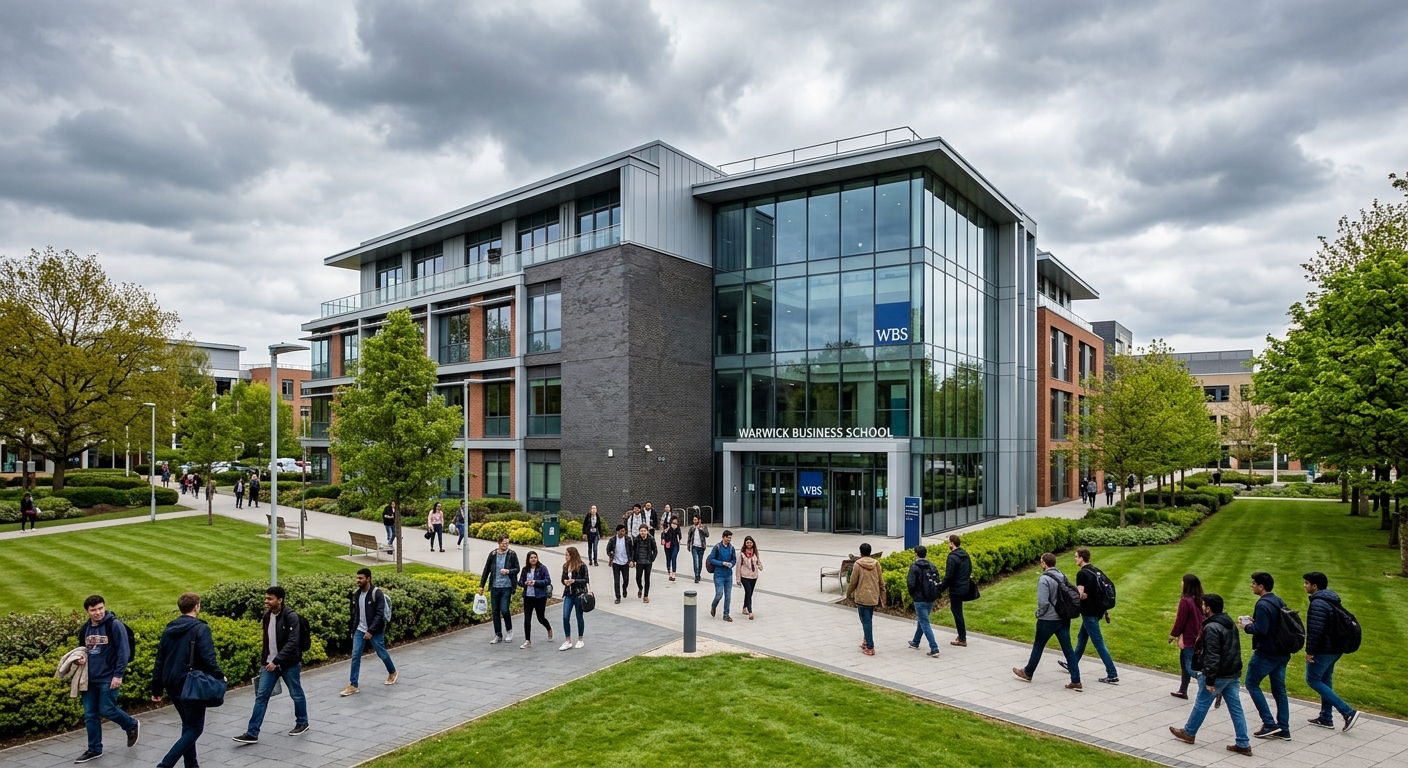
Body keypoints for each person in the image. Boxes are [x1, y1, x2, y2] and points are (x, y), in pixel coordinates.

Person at [1169, 593, 1252, 755]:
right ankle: (1243, 742)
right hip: (1232, 673)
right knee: (1236, 708)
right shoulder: (1229, 623)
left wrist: (1210, 680)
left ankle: (1189, 732)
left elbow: (1212, 655)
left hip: (1218, 674)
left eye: (1203, 605)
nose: (1201, 608)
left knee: (1201, 703)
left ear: (1209, 608)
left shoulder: (1211, 627)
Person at [150, 592, 225, 768]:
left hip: (172, 683)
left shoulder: (168, 629)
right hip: (191, 684)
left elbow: (160, 660)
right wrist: (220, 676)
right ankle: (165, 764)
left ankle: (191, 764)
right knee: (195, 728)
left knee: (188, 724)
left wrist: (156, 689)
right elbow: (208, 658)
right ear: (196, 607)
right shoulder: (201, 629)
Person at [231, 586, 309, 744]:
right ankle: (252, 733)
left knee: (296, 693)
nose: (266, 601)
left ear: (280, 600)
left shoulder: (290, 616)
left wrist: (276, 661)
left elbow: (292, 643)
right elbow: (267, 641)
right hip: (268, 664)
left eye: (270, 599)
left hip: (289, 663)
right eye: (266, 598)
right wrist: (265, 661)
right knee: (261, 697)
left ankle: (302, 722)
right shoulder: (267, 616)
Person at [73, 595, 139, 763]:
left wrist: (118, 675)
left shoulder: (114, 625)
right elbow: (83, 649)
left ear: (105, 607)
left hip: (108, 677)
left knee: (107, 709)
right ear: (87, 611)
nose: (98, 612)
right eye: (93, 610)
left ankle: (131, 725)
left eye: (100, 608)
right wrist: (80, 659)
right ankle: (94, 749)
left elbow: (124, 652)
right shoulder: (85, 629)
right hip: (89, 678)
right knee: (90, 714)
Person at [1012, 553, 1082, 690]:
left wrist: (1038, 614)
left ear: (1044, 563)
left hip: (1048, 620)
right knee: (1068, 649)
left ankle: (1028, 672)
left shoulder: (1044, 579)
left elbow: (1043, 602)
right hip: (1063, 618)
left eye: (1041, 562)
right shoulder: (1061, 575)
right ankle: (1076, 679)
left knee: (1038, 645)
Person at [1302, 571, 1361, 732]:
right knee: (1325, 680)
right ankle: (1326, 717)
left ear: (1315, 586)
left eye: (1307, 583)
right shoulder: (1332, 600)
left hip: (1324, 650)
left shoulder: (1318, 604)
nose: (1304, 586)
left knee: (1313, 679)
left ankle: (1348, 712)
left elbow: (1315, 630)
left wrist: (1310, 651)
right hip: (1336, 649)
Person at [1239, 571, 1291, 741]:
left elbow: (1261, 630)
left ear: (1261, 586)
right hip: (1282, 651)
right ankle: (1284, 728)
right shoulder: (1277, 600)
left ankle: (1269, 723)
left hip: (1267, 652)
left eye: (1253, 583)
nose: (1251, 586)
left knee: (1251, 683)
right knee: (1279, 690)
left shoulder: (1262, 604)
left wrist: (1246, 627)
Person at [1062, 547, 1119, 684]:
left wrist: (1075, 593)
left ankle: (1112, 673)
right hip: (1098, 611)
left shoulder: (1082, 574)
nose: (1075, 559)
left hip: (1089, 613)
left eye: (1076, 557)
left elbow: (1080, 595)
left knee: (1098, 643)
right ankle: (1072, 664)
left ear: (1081, 558)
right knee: (1082, 637)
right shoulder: (1096, 570)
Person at [340, 569, 396, 696]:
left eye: (361, 578)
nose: (358, 580)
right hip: (360, 629)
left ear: (368, 579)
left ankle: (392, 671)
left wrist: (371, 630)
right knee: (355, 656)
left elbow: (379, 614)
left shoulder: (377, 593)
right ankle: (353, 685)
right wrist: (353, 630)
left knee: (381, 653)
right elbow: (355, 614)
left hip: (374, 630)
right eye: (357, 578)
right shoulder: (356, 594)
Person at [478, 535, 520, 644]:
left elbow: (517, 569)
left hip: (507, 586)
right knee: (495, 611)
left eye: (507, 543)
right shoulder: (493, 554)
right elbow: (486, 570)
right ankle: (498, 634)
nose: (505, 545)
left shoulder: (511, 554)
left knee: (504, 609)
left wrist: (508, 571)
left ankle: (509, 631)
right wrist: (481, 585)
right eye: (503, 543)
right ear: (499, 543)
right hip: (495, 586)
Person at [1169, 573, 1205, 699]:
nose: (1181, 583)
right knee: (1186, 663)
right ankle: (1182, 690)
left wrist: (1174, 635)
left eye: (1182, 581)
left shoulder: (1185, 601)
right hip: (1201, 637)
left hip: (1189, 638)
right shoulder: (1201, 600)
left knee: (1189, 666)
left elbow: (1180, 620)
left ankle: (1209, 682)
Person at [845, 542, 884, 654]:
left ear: (861, 552)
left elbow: (853, 582)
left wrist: (848, 594)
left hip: (862, 597)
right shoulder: (876, 563)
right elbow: (881, 581)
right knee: (868, 620)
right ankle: (866, 640)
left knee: (865, 621)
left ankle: (870, 646)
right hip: (873, 596)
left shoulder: (857, 564)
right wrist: (882, 594)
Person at [905, 544, 941, 657]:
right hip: (931, 598)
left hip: (919, 599)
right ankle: (915, 642)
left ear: (916, 554)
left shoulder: (914, 567)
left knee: (924, 622)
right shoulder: (932, 566)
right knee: (922, 619)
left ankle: (934, 648)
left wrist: (914, 594)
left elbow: (911, 583)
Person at [515, 551, 554, 649]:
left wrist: (535, 582)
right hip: (528, 597)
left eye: (535, 557)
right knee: (527, 619)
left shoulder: (542, 568)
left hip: (539, 597)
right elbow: (520, 582)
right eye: (531, 557)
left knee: (540, 617)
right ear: (528, 559)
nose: (533, 559)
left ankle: (548, 628)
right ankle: (527, 640)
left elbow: (547, 580)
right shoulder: (525, 569)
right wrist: (525, 583)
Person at [938, 534, 971, 646]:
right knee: (958, 610)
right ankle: (961, 635)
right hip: (964, 587)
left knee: (956, 611)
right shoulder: (965, 554)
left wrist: (940, 588)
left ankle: (962, 638)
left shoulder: (952, 557)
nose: (948, 544)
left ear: (952, 543)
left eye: (949, 542)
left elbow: (949, 576)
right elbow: (969, 569)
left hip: (956, 589)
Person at [560, 546, 589, 650]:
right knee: (565, 616)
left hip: (578, 594)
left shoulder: (582, 566)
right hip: (569, 594)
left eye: (567, 555)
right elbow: (562, 578)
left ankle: (580, 639)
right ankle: (568, 640)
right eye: (565, 555)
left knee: (579, 616)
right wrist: (565, 581)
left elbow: (586, 580)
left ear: (572, 555)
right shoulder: (565, 566)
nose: (566, 557)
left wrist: (574, 581)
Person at [709, 530, 738, 621]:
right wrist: (722, 563)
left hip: (728, 575)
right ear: (723, 537)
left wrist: (731, 564)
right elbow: (711, 559)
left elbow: (734, 559)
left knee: (728, 595)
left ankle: (726, 614)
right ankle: (714, 605)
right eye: (727, 537)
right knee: (719, 594)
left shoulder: (731, 548)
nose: (729, 539)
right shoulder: (717, 547)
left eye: (730, 538)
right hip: (719, 575)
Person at [737, 535, 763, 620]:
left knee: (750, 593)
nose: (749, 544)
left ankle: (744, 607)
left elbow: (757, 561)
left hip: (754, 576)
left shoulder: (755, 552)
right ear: (745, 543)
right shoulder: (742, 554)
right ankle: (750, 611)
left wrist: (760, 566)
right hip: (745, 576)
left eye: (750, 542)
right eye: (747, 542)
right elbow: (738, 566)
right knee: (748, 592)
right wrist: (738, 579)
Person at [630, 524, 658, 602]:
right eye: (641, 531)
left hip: (648, 561)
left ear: (647, 531)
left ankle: (646, 595)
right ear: (639, 531)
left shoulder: (651, 539)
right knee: (638, 577)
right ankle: (640, 588)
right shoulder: (636, 539)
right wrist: (632, 560)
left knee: (647, 578)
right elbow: (633, 550)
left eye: (644, 531)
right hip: (639, 561)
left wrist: (652, 558)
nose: (643, 532)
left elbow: (655, 550)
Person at [607, 524, 631, 603]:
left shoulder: (628, 539)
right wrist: (610, 555)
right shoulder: (613, 540)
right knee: (616, 580)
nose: (622, 533)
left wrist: (631, 560)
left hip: (625, 562)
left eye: (624, 531)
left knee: (626, 579)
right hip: (616, 562)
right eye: (621, 531)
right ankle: (618, 596)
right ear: (617, 531)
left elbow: (631, 550)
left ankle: (624, 588)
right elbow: (608, 549)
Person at [687, 514, 710, 583]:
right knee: (695, 561)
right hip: (694, 546)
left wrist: (701, 529)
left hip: (701, 547)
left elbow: (707, 535)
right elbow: (689, 537)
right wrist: (688, 545)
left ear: (699, 520)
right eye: (693, 520)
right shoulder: (692, 528)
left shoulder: (703, 527)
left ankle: (699, 574)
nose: (694, 521)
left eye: (695, 520)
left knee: (700, 562)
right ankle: (696, 575)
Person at [661, 517, 682, 581]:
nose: (674, 524)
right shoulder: (667, 528)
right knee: (668, 559)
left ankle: (674, 573)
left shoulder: (678, 529)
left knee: (674, 558)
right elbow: (663, 535)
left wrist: (676, 530)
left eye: (676, 522)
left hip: (675, 545)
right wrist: (665, 532)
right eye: (673, 522)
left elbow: (680, 537)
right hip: (667, 546)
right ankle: (669, 572)